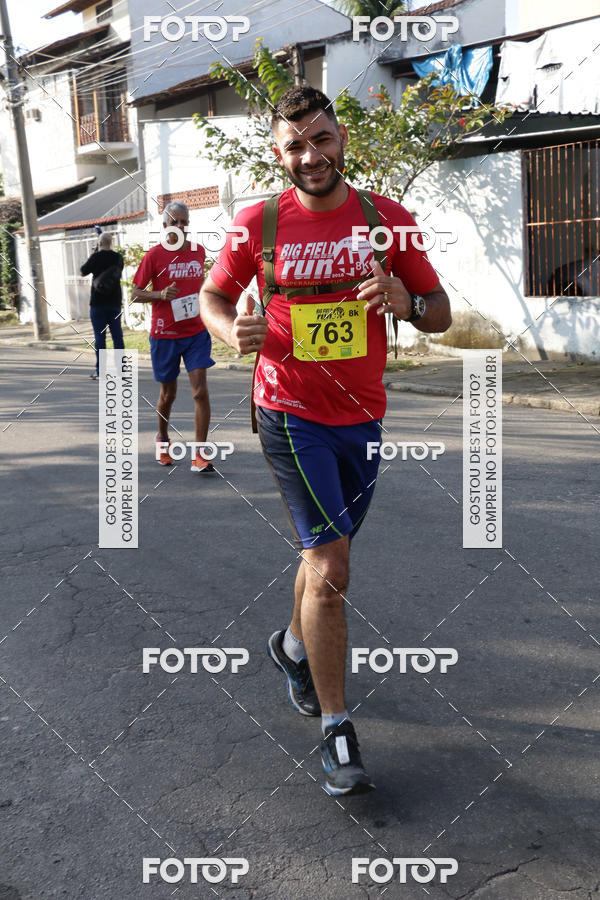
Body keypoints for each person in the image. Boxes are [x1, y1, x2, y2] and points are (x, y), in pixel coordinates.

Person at [199, 86, 452, 795]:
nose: (311, 156)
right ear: (276, 155)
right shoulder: (259, 224)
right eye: (294, 146)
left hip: (363, 417)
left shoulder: (386, 220)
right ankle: (337, 729)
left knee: (326, 554)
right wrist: (229, 330)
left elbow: (440, 312)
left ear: (341, 139)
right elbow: (214, 298)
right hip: (288, 411)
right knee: (332, 564)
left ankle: (288, 647)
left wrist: (408, 304)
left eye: (322, 139)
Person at [131, 201, 215, 473]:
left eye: (184, 223)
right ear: (165, 225)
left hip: (195, 332)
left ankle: (199, 453)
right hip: (165, 334)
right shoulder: (154, 256)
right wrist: (159, 295)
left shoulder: (198, 251)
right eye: (175, 222)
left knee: (200, 391)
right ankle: (163, 439)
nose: (180, 227)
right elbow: (135, 293)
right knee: (168, 395)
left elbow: (201, 285)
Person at [80, 231, 124, 379]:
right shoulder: (118, 258)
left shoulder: (95, 257)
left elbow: (82, 271)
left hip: (98, 304)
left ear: (99, 243)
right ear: (111, 243)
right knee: (117, 337)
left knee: (100, 339)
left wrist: (94, 254)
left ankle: (101, 371)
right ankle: (122, 371)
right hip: (115, 303)